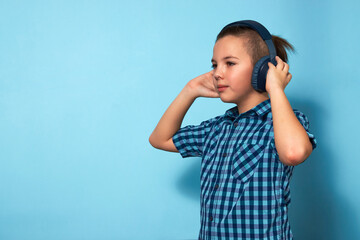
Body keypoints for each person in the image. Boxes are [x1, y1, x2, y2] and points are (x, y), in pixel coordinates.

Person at [149, 20, 317, 240]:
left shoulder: (284, 122)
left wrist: (274, 87)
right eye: (214, 65)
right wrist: (190, 90)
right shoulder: (216, 128)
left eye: (229, 63)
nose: (217, 73)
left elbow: (293, 153)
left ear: (264, 70)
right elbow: (160, 139)